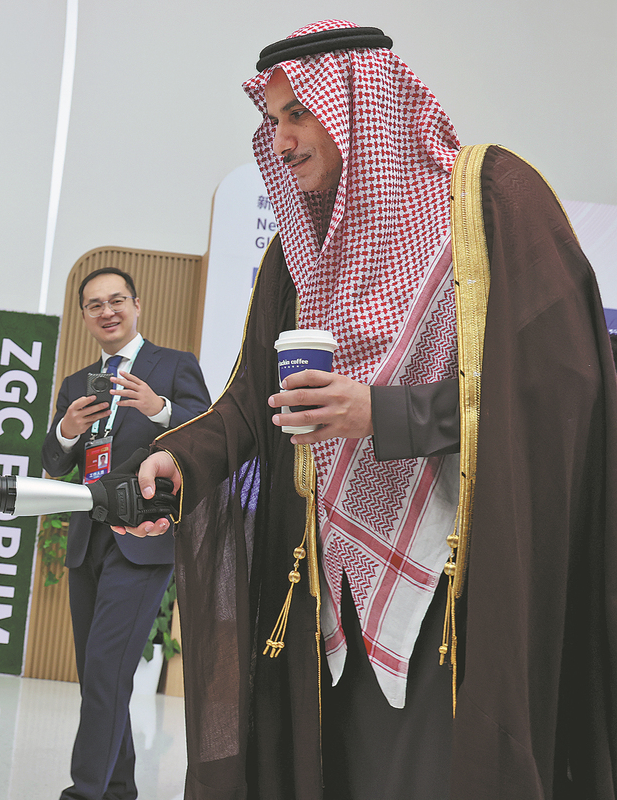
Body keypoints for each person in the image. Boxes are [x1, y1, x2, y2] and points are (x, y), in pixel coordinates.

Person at [124, 20, 617, 799]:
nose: (279, 141)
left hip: (455, 589)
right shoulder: (296, 249)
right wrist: (176, 459)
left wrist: (386, 414)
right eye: (269, 120)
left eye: (296, 114)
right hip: (326, 593)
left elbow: (559, 392)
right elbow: (254, 401)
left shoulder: (490, 205)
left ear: (359, 104)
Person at [42, 266, 209, 800]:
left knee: (105, 670)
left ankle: (84, 792)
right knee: (99, 674)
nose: (107, 311)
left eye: (117, 300)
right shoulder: (76, 384)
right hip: (87, 536)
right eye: (95, 304)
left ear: (136, 306)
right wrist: (68, 429)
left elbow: (207, 432)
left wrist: (158, 408)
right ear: (85, 316)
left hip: (144, 539)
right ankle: (117, 790)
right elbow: (51, 461)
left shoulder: (174, 366)